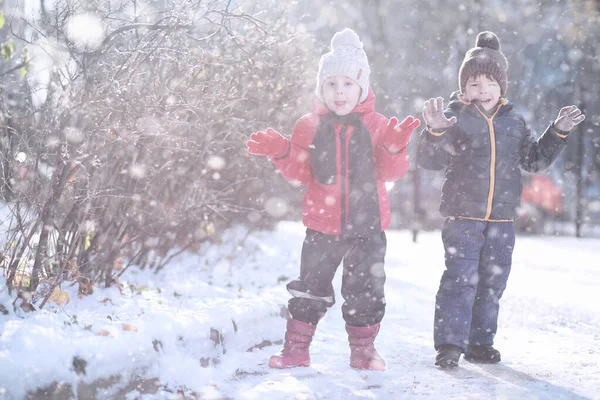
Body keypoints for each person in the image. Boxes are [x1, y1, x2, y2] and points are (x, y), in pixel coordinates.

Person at [246, 28, 420, 371]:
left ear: (362, 88)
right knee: (310, 287)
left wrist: (394, 146)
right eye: (331, 84)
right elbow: (301, 171)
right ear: (321, 88)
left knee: (365, 290)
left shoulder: (378, 125)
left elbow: (390, 171)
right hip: (321, 224)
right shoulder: (309, 125)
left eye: (347, 84)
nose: (339, 92)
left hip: (367, 225)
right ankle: (296, 349)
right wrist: (281, 151)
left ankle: (364, 351)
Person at [418, 31, 585, 369]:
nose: (483, 90)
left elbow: (533, 160)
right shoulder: (455, 117)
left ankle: (480, 343)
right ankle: (450, 344)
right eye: (475, 83)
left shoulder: (514, 121)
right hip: (463, 216)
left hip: (502, 219)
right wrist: (434, 131)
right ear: (464, 88)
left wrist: (558, 132)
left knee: (493, 282)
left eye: (490, 82)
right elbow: (430, 161)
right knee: (460, 279)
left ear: (501, 86)